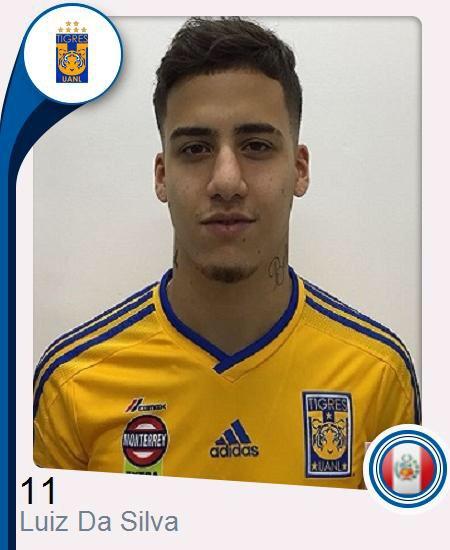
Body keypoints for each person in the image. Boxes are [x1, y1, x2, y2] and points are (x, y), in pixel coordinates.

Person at [33, 17, 420, 488]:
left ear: (299, 169)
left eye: (256, 146)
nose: (226, 181)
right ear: (162, 176)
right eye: (195, 149)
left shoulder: (378, 374)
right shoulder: (73, 383)